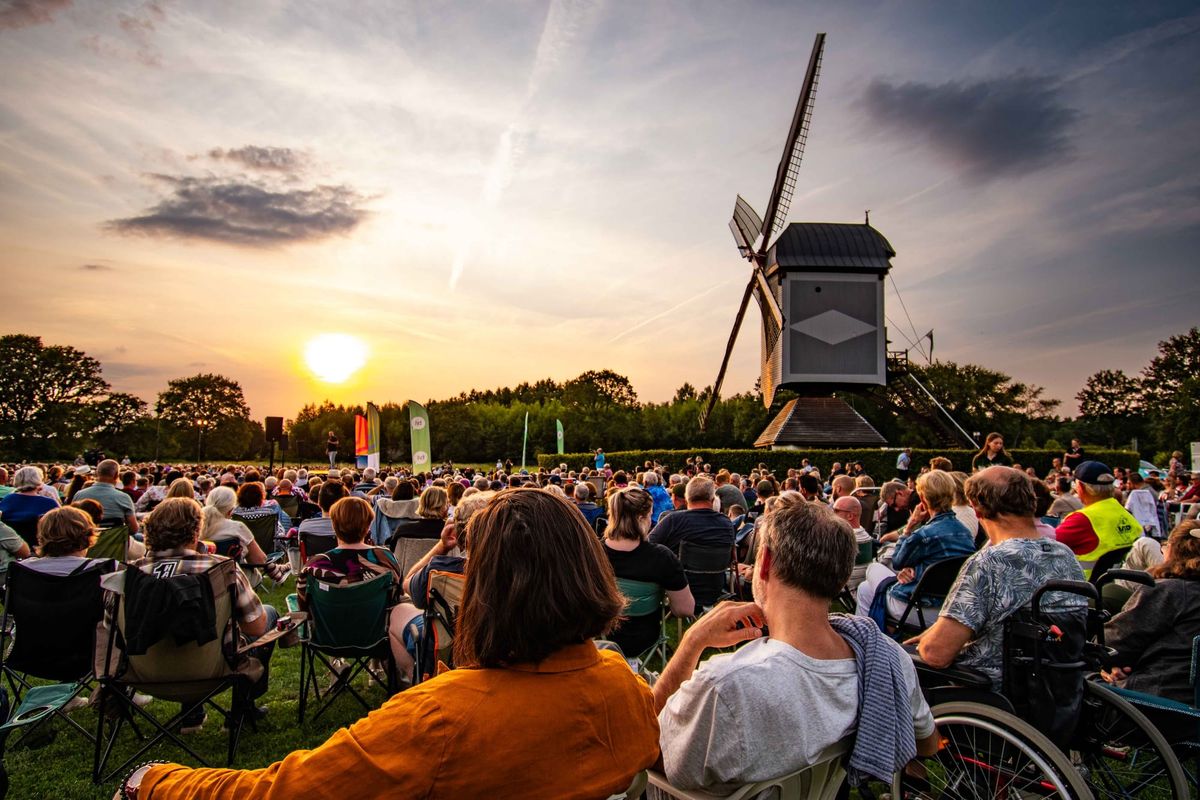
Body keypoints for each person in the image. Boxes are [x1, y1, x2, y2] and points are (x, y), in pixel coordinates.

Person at [120, 489, 660, 800]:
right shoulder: (628, 693)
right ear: (588, 568)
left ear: (486, 585)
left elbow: (282, 793)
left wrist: (155, 781)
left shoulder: (439, 718)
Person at [655, 501, 938, 792]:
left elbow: (650, 750)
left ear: (765, 562)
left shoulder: (727, 686)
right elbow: (927, 742)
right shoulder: (887, 659)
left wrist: (692, 642)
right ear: (841, 574)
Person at [910, 467, 1086, 689]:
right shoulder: (1064, 554)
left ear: (978, 509)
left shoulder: (990, 562)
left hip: (992, 688)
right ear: (1031, 502)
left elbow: (936, 654)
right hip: (1055, 684)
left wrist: (929, 641)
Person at [126, 498, 278, 734]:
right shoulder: (220, 569)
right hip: (214, 671)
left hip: (141, 674)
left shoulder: (127, 576)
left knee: (188, 621)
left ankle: (192, 715)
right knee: (268, 614)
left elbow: (111, 635)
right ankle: (241, 712)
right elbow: (256, 629)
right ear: (195, 530)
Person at [856, 471, 975, 625]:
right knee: (865, 589)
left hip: (918, 607)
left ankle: (871, 639)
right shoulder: (964, 532)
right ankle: (872, 637)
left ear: (923, 500)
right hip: (951, 605)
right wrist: (915, 568)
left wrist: (909, 527)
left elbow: (897, 561)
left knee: (873, 568)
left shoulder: (923, 535)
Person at [1103, 520, 1200, 705]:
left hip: (1162, 703)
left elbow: (1110, 644)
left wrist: (1114, 663)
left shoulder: (1168, 592)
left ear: (1172, 550)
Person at [601, 487, 694, 659]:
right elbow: (685, 609)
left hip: (602, 635)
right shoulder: (661, 557)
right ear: (641, 518)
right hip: (644, 639)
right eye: (650, 515)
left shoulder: (593, 553)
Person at [1055, 461, 1143, 578]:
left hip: (1081, 589)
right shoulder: (1127, 516)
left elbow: (1044, 548)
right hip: (1116, 588)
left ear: (1080, 487)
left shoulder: (1081, 519)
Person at [649, 476, 735, 552]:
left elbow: (648, 545)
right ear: (713, 500)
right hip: (718, 569)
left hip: (679, 570)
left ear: (687, 499)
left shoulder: (673, 520)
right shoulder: (726, 523)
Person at [0, 466, 61, 547]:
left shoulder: (7, 500)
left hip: (9, 547)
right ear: (39, 480)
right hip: (41, 548)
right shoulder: (49, 503)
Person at [75, 459, 140, 534]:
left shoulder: (79, 495)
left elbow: (72, 523)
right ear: (116, 475)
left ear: (96, 474)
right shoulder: (124, 498)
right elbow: (133, 529)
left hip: (85, 543)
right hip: (115, 543)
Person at [1123, 472, 1161, 538]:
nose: (1127, 485)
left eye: (1128, 483)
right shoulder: (1149, 490)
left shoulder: (1140, 493)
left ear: (1132, 483)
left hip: (1145, 525)